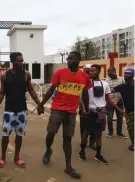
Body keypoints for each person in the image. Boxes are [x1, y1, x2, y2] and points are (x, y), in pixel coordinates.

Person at [37, 51, 92, 179]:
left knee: (67, 138)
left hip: (71, 112)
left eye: (72, 58)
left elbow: (85, 94)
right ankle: (48, 149)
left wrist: (86, 109)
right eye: (68, 58)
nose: (69, 60)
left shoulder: (84, 77)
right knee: (50, 134)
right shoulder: (60, 73)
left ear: (79, 60)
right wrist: (41, 104)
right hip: (57, 109)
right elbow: (51, 89)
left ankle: (68, 166)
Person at [0, 52, 44, 168]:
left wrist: (39, 104)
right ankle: (2, 157)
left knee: (19, 135)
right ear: (12, 61)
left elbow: (31, 90)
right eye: (19, 61)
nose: (21, 63)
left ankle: (17, 157)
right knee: (5, 135)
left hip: (21, 111)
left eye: (22, 60)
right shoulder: (5, 76)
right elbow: (1, 93)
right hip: (9, 110)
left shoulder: (26, 75)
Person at [79, 64, 126, 165]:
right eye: (90, 71)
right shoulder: (86, 84)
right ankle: (82, 151)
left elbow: (108, 99)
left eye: (93, 71)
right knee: (86, 132)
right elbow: (83, 98)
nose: (91, 72)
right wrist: (84, 110)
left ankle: (98, 154)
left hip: (101, 112)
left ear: (99, 72)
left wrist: (119, 109)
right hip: (90, 111)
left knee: (99, 134)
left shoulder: (105, 84)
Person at [113, 68, 134, 151]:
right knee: (131, 129)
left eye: (128, 73)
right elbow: (109, 91)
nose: (126, 75)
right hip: (128, 112)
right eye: (125, 73)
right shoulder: (122, 87)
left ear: (133, 75)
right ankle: (133, 144)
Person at [106, 67, 127, 138]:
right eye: (107, 72)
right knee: (109, 119)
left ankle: (119, 132)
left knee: (120, 118)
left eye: (110, 71)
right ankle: (110, 132)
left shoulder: (122, 79)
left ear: (114, 71)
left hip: (120, 102)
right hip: (110, 102)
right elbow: (106, 92)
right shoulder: (107, 81)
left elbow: (126, 88)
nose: (108, 73)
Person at [79, 64, 96, 149]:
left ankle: (92, 142)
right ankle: (83, 142)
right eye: (85, 69)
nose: (86, 71)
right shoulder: (81, 80)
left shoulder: (96, 82)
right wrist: (83, 107)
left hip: (94, 107)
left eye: (88, 70)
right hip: (83, 107)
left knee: (93, 126)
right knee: (83, 126)